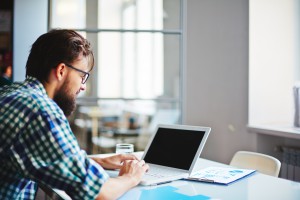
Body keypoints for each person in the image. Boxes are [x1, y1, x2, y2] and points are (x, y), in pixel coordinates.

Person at [0, 29, 149, 200]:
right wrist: (132, 176)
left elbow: (45, 158)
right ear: (61, 70)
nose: (83, 86)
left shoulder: (11, 93)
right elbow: (99, 193)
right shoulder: (40, 110)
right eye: (82, 76)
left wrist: (99, 161)